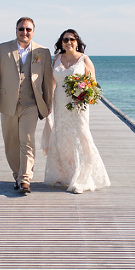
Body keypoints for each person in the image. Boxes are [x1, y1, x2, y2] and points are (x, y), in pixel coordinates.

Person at [0, 17, 54, 194]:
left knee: (27, 140)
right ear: (16, 30)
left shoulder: (43, 52)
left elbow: (47, 80)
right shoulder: (3, 49)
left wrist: (48, 103)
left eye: (28, 29)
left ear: (33, 31)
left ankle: (25, 179)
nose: (25, 32)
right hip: (8, 103)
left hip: (31, 104)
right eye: (21, 29)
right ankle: (17, 174)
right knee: (11, 142)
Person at [44, 29, 111, 194]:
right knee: (62, 137)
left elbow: (93, 85)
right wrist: (48, 103)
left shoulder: (84, 60)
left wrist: (82, 94)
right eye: (65, 40)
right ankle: (67, 174)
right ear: (61, 43)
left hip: (78, 105)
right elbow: (53, 83)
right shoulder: (57, 59)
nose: (69, 42)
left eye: (72, 39)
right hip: (60, 103)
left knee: (80, 135)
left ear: (77, 41)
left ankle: (81, 179)